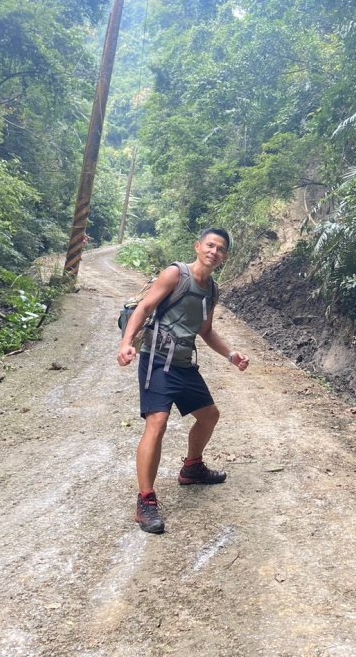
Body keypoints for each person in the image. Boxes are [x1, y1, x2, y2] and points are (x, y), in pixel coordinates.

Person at [117, 228, 250, 534]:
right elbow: (145, 308)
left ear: (225, 257)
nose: (214, 251)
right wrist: (126, 343)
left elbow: (206, 331)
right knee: (157, 422)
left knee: (209, 416)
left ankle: (192, 468)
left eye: (220, 249)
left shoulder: (212, 290)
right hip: (156, 359)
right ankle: (146, 501)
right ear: (198, 246)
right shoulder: (176, 274)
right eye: (210, 245)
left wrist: (231, 355)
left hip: (183, 362)